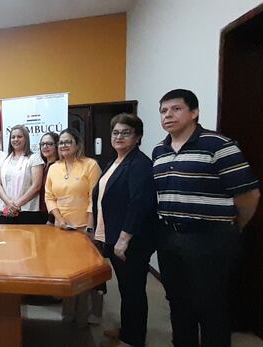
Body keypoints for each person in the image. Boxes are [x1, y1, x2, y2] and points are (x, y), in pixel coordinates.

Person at [153, 89, 260, 347]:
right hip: (170, 237)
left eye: (176, 109)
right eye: (164, 110)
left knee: (211, 305)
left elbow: (248, 195)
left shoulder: (219, 145)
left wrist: (231, 227)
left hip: (211, 238)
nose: (168, 115)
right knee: (178, 302)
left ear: (194, 113)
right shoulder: (160, 150)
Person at [92, 114, 157, 347]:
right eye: (115, 133)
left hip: (130, 241)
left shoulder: (140, 164)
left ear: (137, 137)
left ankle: (134, 339)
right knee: (126, 288)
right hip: (113, 235)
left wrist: (123, 239)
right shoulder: (114, 161)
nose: (119, 137)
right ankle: (128, 330)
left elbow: (139, 204)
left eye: (125, 132)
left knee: (133, 290)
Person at [43, 127, 103, 323]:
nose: (63, 145)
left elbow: (94, 199)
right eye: (61, 142)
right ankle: (69, 313)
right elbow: (49, 197)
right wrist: (58, 219)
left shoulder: (90, 165)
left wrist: (91, 227)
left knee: (86, 275)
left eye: (68, 141)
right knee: (66, 272)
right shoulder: (54, 168)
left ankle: (87, 316)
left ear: (77, 144)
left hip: (85, 228)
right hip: (61, 228)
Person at [0, 125, 45, 224]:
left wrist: (16, 205)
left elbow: (36, 186)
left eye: (19, 136)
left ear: (26, 139)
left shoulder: (34, 158)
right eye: (13, 137)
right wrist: (9, 203)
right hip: (6, 209)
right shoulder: (5, 159)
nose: (15, 139)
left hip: (26, 211)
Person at [38, 132, 59, 224]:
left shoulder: (59, 167)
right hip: (41, 214)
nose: (45, 147)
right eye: (42, 144)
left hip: (54, 217)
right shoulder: (42, 166)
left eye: (49, 144)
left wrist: (51, 218)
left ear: (56, 146)